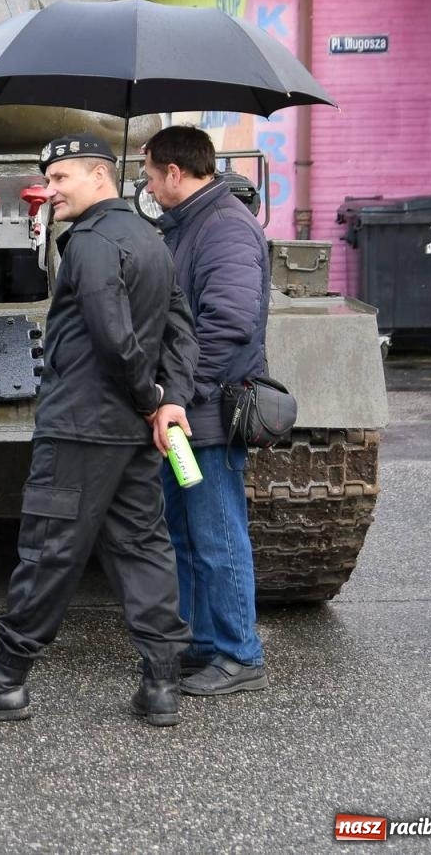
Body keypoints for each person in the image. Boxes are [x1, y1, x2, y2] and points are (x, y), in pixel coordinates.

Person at [0, 134, 199, 727]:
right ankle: (161, 684)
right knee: (143, 548)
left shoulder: (94, 243)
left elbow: (111, 332)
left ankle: (5, 681)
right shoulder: (151, 240)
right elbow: (180, 326)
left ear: (98, 177)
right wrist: (168, 399)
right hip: (131, 433)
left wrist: (148, 392)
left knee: (48, 551)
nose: (47, 192)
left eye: (59, 180)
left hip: (80, 426)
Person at [141, 125, 270, 695]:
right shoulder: (191, 225)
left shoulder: (224, 229)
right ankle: (202, 643)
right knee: (187, 534)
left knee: (218, 535)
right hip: (190, 414)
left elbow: (228, 323)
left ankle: (240, 654)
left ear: (175, 173)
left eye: (149, 175)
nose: (146, 186)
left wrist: (176, 392)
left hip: (208, 414)